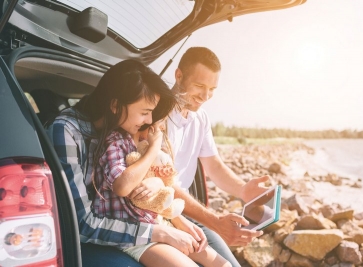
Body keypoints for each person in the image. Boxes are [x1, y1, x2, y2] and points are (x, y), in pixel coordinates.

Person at [46, 59, 209, 267]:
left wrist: (176, 219)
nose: (149, 120)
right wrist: (158, 233)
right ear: (115, 105)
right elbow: (82, 224)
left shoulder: (125, 129)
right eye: (144, 112)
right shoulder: (67, 131)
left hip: (143, 221)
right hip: (88, 239)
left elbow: (147, 182)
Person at [167, 47, 270, 267]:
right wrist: (215, 222)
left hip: (190, 214)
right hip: (165, 214)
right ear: (179, 76)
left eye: (212, 89)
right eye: (200, 86)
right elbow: (164, 185)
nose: (205, 96)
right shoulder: (157, 114)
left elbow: (213, 165)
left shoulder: (200, 117)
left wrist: (243, 190)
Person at [93, 110, 232, 267]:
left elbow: (165, 184)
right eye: (160, 125)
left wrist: (160, 185)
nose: (162, 129)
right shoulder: (117, 142)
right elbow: (128, 188)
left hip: (159, 222)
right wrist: (154, 147)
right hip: (137, 235)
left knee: (223, 264)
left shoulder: (145, 147)